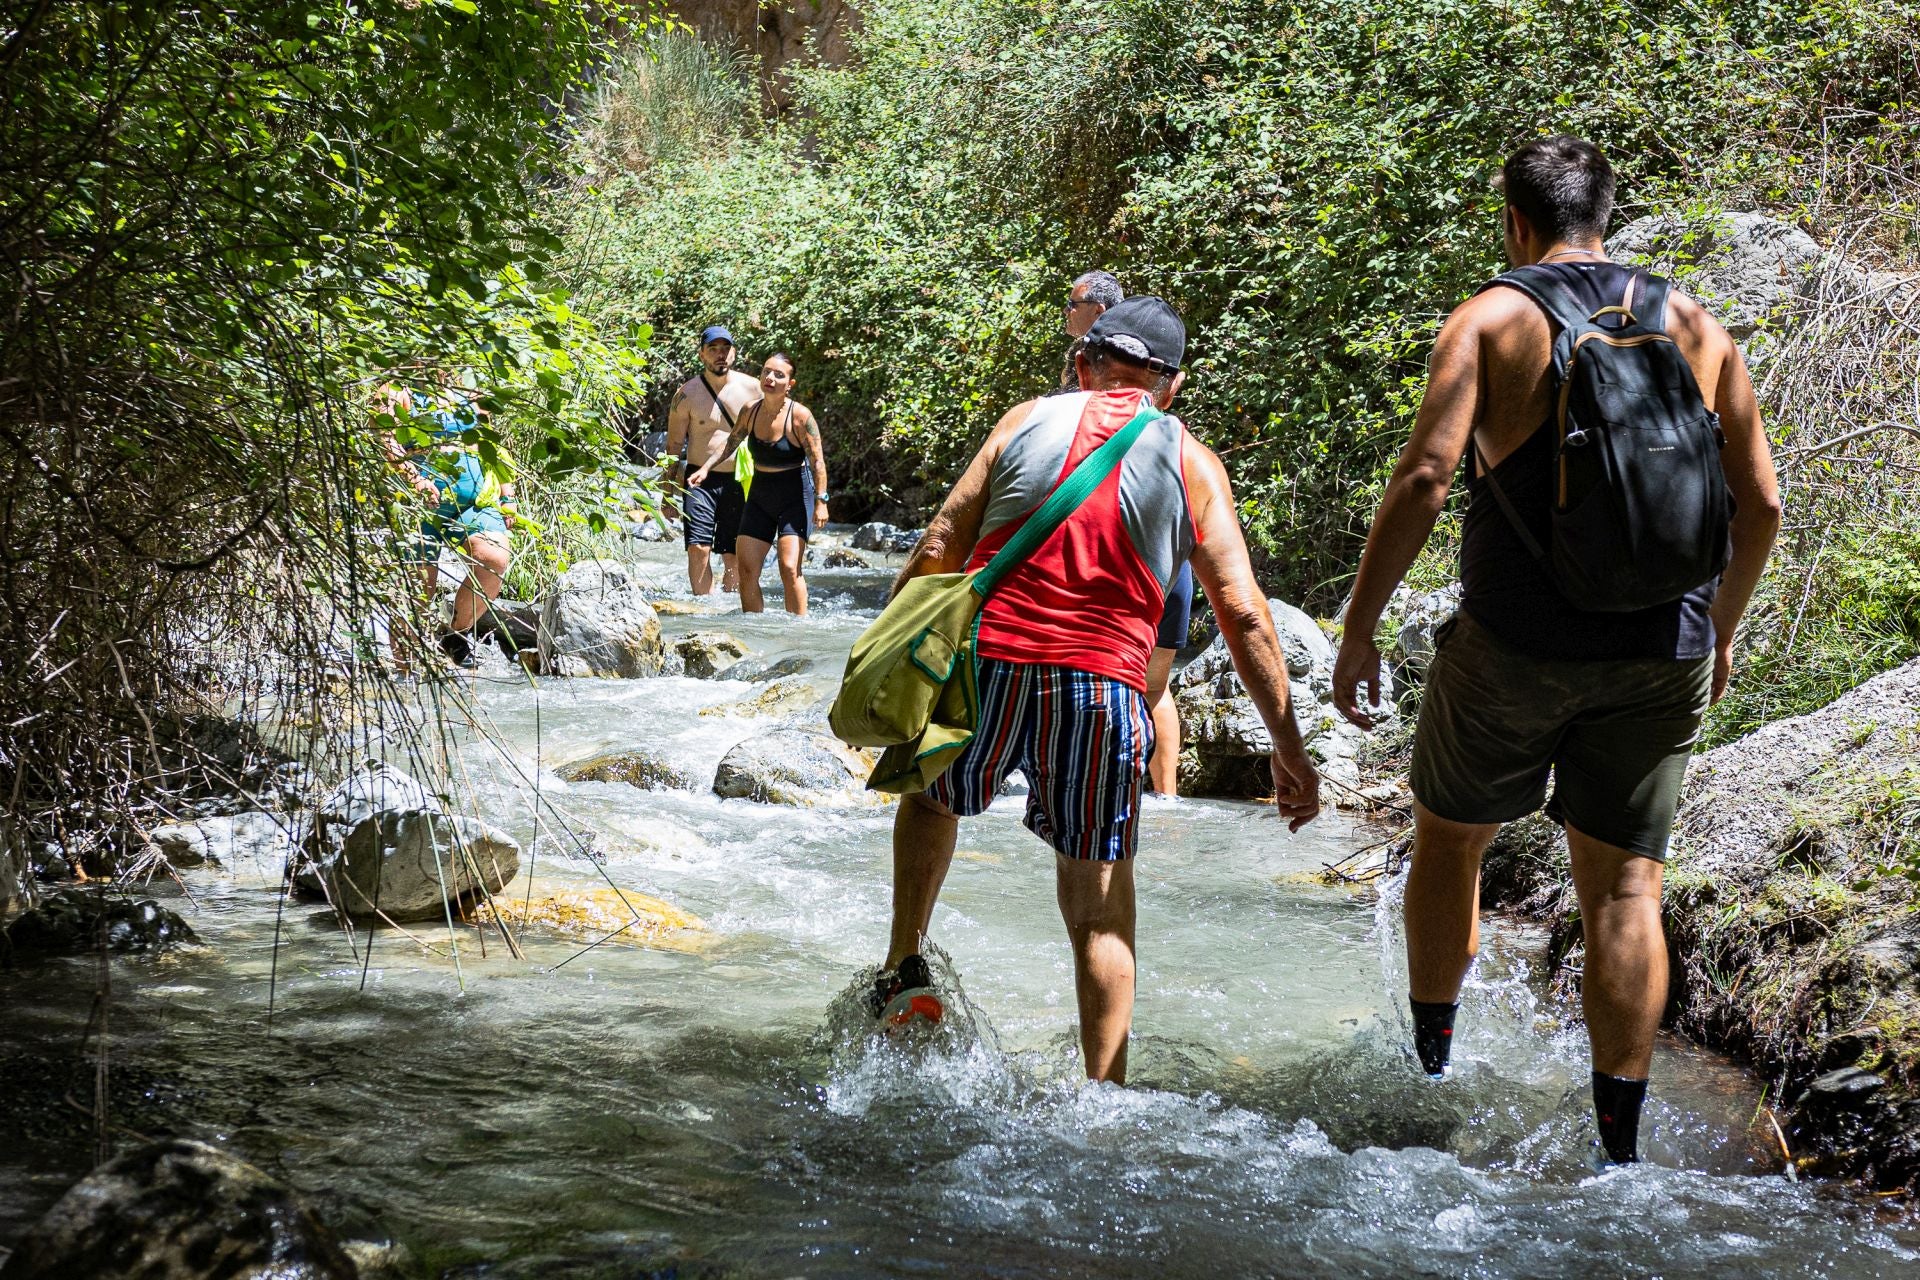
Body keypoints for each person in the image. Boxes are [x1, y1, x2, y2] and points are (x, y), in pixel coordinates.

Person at [1330, 136, 1782, 1163]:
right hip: (1661, 647)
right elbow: (1761, 501)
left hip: (1513, 647)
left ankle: (1432, 1074)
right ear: (1607, 218)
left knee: (1452, 840)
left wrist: (1358, 627)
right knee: (1627, 887)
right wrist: (1717, 629)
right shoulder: (1694, 324)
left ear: (1515, 223)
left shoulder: (1492, 318)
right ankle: (1618, 1147)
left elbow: (1424, 480)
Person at [870, 297, 1323, 1083]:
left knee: (933, 797)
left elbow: (942, 543)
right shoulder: (1193, 461)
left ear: (1084, 363)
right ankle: (1104, 1092)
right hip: (1105, 691)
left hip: (988, 666)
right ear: (1169, 386)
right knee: (1099, 904)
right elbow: (1245, 614)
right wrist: (1288, 748)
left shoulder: (1025, 419)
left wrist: (889, 670)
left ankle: (905, 961)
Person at [1053, 270, 1189, 793]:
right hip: (1164, 548)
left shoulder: (1088, 377)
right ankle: (1167, 798)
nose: (1067, 312)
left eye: (1073, 304)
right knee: (1154, 688)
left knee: (1111, 677)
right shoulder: (1177, 436)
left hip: (1115, 548)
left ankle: (1099, 787)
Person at [378, 377, 517, 668]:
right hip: (416, 505)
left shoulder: (469, 391)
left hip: (473, 502)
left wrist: (507, 495)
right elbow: (385, 439)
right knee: (418, 588)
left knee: (494, 559)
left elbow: (489, 444)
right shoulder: (395, 390)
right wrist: (414, 479)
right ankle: (406, 675)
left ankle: (455, 635)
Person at [690, 353, 829, 616]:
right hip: (759, 497)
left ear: (790, 383)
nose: (770, 378)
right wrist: (706, 468)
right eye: (767, 372)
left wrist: (822, 501)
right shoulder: (750, 411)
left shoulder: (800, 416)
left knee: (789, 568)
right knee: (747, 569)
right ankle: (754, 628)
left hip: (794, 497)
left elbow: (818, 462)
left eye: (779, 375)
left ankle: (798, 631)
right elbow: (731, 442)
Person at [665, 326, 757, 595]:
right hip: (698, 479)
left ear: (734, 353)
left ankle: (730, 608)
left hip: (740, 479)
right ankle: (702, 609)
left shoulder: (753, 389)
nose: (720, 355)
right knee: (698, 547)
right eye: (713, 349)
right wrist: (667, 494)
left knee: (734, 552)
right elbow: (673, 446)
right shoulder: (686, 394)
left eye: (725, 349)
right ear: (702, 355)